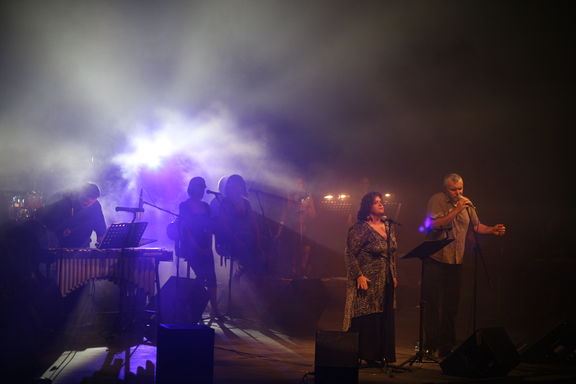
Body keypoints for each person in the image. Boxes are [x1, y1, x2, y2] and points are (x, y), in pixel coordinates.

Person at [423, 173, 506, 357]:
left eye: (460, 188)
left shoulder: (467, 202)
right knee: (433, 303)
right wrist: (456, 210)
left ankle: (446, 345)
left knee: (451, 305)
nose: (458, 192)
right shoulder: (437, 200)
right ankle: (430, 343)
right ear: (446, 189)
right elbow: (434, 224)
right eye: (454, 189)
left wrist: (492, 230)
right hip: (436, 259)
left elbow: (476, 226)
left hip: (456, 260)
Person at [343, 192, 398, 365]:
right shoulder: (360, 228)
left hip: (386, 278)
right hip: (368, 278)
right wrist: (358, 275)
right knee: (368, 315)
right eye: (376, 202)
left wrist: (394, 274)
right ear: (368, 207)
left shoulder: (388, 226)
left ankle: (382, 354)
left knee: (384, 314)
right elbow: (349, 253)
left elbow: (392, 253)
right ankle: (366, 354)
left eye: (381, 202)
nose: (381, 204)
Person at [179, 177, 220, 316]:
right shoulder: (184, 206)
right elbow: (185, 228)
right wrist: (196, 245)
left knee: (212, 277)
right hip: (190, 246)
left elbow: (209, 227)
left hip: (205, 245)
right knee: (201, 275)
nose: (202, 190)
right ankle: (195, 307)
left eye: (203, 187)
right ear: (193, 188)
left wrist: (208, 245)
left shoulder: (207, 207)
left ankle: (215, 309)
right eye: (200, 187)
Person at [216, 174, 263, 277]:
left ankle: (246, 282)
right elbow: (224, 225)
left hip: (247, 237)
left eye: (240, 184)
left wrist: (258, 240)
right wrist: (236, 239)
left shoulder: (246, 203)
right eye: (235, 185)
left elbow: (254, 223)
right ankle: (236, 279)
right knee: (245, 256)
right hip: (232, 239)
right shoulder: (225, 202)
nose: (238, 187)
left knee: (258, 257)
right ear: (229, 187)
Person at [37, 182, 106, 248]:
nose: (88, 202)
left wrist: (102, 244)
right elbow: (48, 222)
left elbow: (100, 229)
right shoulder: (66, 202)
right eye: (85, 199)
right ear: (81, 193)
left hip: (83, 248)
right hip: (60, 246)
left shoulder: (96, 206)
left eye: (92, 200)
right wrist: (61, 231)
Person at [275, 177, 317, 278]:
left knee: (306, 249)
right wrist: (279, 231)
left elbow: (314, 214)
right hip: (293, 228)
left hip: (305, 228)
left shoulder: (308, 197)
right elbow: (284, 214)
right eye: (296, 184)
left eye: (300, 184)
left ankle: (303, 270)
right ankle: (293, 271)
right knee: (294, 249)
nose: (298, 186)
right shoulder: (290, 197)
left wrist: (307, 209)